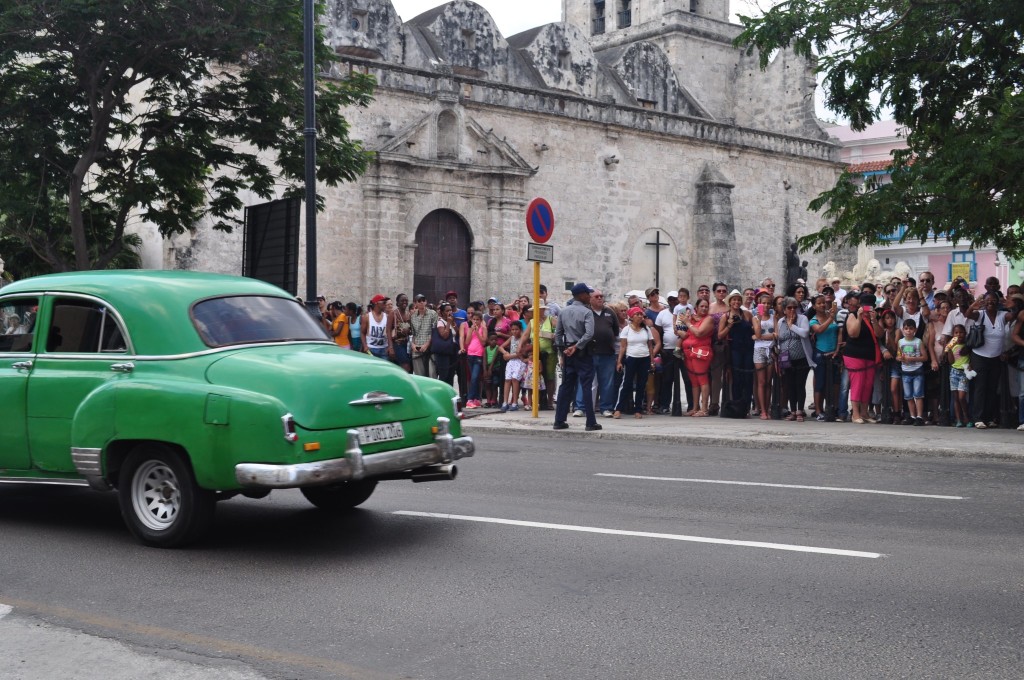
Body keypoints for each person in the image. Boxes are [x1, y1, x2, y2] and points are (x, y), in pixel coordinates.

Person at [553, 283, 601, 431]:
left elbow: (558, 334)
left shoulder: (564, 311)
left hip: (568, 352)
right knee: (586, 386)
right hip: (582, 352)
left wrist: (564, 350)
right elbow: (589, 334)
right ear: (581, 295)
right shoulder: (587, 312)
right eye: (588, 294)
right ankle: (590, 422)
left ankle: (559, 420)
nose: (589, 296)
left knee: (566, 386)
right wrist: (576, 346)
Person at [965, 293, 1016, 428]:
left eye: (993, 301)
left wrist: (1011, 306)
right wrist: (972, 306)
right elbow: (968, 314)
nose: (991, 303)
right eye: (988, 301)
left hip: (996, 358)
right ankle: (978, 418)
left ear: (998, 302)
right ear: (984, 302)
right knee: (980, 387)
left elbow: (1015, 316)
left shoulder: (1002, 315)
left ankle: (988, 418)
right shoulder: (980, 314)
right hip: (979, 357)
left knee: (992, 388)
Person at [577, 290, 620, 417]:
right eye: (597, 296)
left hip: (607, 353)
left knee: (607, 382)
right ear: (590, 299)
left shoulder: (610, 312)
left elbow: (615, 331)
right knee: (585, 380)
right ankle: (581, 407)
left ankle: (606, 408)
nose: (600, 298)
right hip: (588, 353)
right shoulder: (585, 312)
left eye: (601, 296)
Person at [843, 293, 880, 424]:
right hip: (854, 354)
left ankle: (864, 413)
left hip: (869, 355)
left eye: (870, 307)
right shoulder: (852, 315)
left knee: (867, 385)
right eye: (864, 306)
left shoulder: (875, 317)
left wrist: (874, 320)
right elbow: (853, 333)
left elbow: (879, 334)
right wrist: (859, 318)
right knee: (857, 384)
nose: (867, 309)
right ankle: (855, 414)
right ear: (860, 306)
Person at [776, 297, 815, 421]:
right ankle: (792, 410)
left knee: (800, 384)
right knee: (790, 385)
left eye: (795, 307)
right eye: (789, 308)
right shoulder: (780, 321)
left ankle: (799, 410)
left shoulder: (802, 319)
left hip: (801, 358)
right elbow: (779, 338)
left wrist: (791, 325)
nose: (792, 310)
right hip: (786, 359)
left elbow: (804, 333)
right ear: (784, 310)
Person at [614, 306, 657, 419]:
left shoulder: (646, 329)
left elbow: (650, 346)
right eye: (637, 314)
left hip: (644, 358)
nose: (640, 316)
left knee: (641, 385)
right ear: (631, 317)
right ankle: (618, 408)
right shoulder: (626, 330)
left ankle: (638, 409)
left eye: (641, 314)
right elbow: (623, 347)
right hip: (631, 358)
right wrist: (619, 361)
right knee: (627, 383)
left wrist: (652, 361)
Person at [717, 290, 754, 417]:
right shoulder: (725, 316)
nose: (736, 302)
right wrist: (730, 325)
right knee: (737, 378)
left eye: (738, 300)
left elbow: (754, 329)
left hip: (748, 348)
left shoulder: (747, 314)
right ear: (730, 302)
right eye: (734, 300)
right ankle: (737, 406)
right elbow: (720, 335)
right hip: (735, 349)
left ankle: (747, 406)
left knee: (748, 378)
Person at [677, 297, 714, 416]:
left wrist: (687, 323)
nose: (704, 308)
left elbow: (699, 333)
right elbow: (687, 335)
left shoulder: (708, 319)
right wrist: (679, 328)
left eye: (706, 306)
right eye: (702, 306)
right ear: (696, 308)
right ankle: (695, 407)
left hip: (700, 352)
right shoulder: (693, 320)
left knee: (702, 380)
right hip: (689, 353)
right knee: (694, 381)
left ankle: (704, 409)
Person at [809, 294, 839, 421]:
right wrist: (830, 318)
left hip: (834, 353)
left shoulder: (832, 316)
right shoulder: (813, 320)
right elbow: (819, 330)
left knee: (834, 382)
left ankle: (833, 408)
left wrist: (837, 349)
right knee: (820, 382)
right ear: (814, 306)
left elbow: (839, 331)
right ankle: (818, 410)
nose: (822, 305)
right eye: (819, 303)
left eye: (823, 303)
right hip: (820, 352)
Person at [898, 319, 927, 425]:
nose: (908, 331)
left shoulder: (918, 341)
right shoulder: (900, 342)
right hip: (905, 371)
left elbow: (925, 357)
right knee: (908, 395)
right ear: (903, 330)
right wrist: (900, 358)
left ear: (914, 330)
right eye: (906, 329)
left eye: (911, 329)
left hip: (917, 370)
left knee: (918, 394)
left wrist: (913, 359)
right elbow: (898, 354)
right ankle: (912, 415)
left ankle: (919, 416)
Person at [752, 292, 776, 420]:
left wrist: (760, 336)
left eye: (768, 303)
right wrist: (760, 320)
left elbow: (776, 335)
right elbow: (756, 333)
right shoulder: (755, 318)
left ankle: (767, 407)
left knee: (768, 381)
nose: (766, 306)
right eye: (763, 303)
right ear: (759, 304)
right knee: (761, 381)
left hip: (771, 349)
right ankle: (762, 410)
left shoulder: (774, 317)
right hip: (759, 350)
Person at [459, 310, 488, 408]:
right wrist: (471, 331)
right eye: (474, 319)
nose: (475, 321)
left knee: (475, 377)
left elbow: (484, 342)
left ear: (481, 320)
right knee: (473, 378)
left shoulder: (483, 328)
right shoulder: (470, 328)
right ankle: (474, 398)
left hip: (479, 354)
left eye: (477, 320)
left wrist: (477, 332)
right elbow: (467, 342)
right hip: (470, 354)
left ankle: (470, 399)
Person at [945, 325, 972, 427]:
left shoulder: (967, 345)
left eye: (961, 332)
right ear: (953, 335)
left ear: (965, 334)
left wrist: (971, 365)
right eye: (956, 333)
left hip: (964, 373)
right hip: (954, 372)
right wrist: (949, 349)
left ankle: (966, 417)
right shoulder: (952, 346)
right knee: (955, 397)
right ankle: (958, 419)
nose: (958, 335)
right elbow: (951, 361)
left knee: (962, 397)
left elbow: (972, 358)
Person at [499, 322, 529, 412]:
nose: (514, 331)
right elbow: (500, 347)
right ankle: (505, 402)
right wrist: (505, 352)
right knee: (507, 379)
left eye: (516, 329)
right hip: (511, 362)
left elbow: (521, 353)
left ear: (520, 330)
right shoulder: (511, 338)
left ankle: (515, 402)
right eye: (512, 330)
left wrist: (509, 356)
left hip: (519, 362)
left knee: (515, 380)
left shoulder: (523, 339)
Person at [409, 293, 438, 377]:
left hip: (429, 348)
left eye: (423, 300)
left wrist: (427, 344)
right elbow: (413, 333)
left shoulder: (433, 314)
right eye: (419, 301)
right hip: (417, 347)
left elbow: (434, 332)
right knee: (419, 375)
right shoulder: (413, 316)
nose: (422, 302)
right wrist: (413, 344)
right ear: (415, 303)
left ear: (426, 302)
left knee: (432, 374)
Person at [432, 303, 459, 387]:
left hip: (452, 350)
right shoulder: (440, 322)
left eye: (450, 310)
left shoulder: (451, 320)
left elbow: (457, 333)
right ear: (442, 312)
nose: (449, 312)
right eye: (447, 310)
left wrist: (453, 323)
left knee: (451, 374)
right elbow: (444, 335)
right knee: (444, 374)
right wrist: (448, 323)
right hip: (443, 352)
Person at [387, 293, 413, 372]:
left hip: (408, 344)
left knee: (409, 367)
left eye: (406, 301)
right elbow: (388, 330)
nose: (404, 302)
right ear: (397, 302)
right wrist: (390, 347)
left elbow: (412, 329)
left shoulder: (409, 314)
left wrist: (409, 331)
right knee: (406, 366)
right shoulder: (393, 314)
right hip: (397, 344)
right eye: (402, 301)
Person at [362, 294, 389, 359]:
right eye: (384, 302)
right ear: (376, 303)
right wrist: (365, 346)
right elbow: (362, 332)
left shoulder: (387, 316)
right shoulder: (367, 317)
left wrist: (389, 347)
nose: (385, 304)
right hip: (371, 349)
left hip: (384, 349)